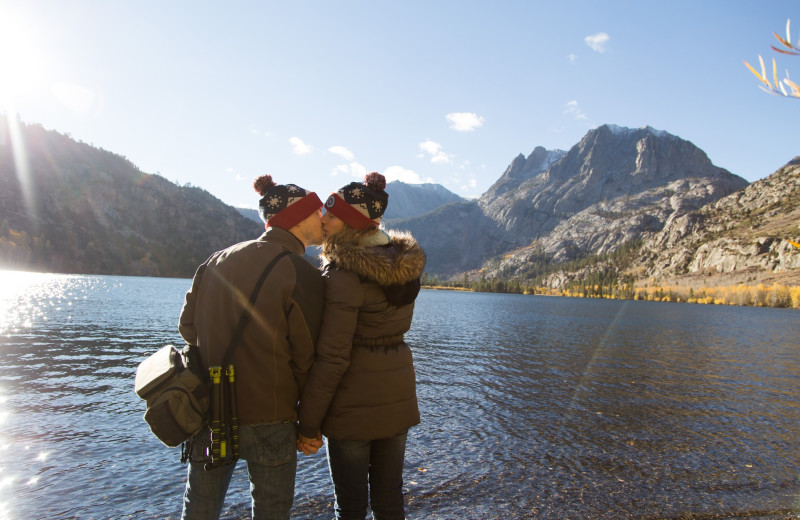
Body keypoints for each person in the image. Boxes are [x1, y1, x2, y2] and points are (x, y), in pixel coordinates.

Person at [178, 174, 325, 520]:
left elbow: (187, 329)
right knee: (271, 512)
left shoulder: (215, 260)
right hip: (271, 416)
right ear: (297, 219)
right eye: (316, 211)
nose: (322, 218)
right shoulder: (301, 273)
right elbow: (307, 357)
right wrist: (311, 424)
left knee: (199, 509)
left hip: (212, 410)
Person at [297, 172, 426, 520]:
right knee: (389, 500)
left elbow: (334, 357)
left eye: (332, 215)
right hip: (396, 399)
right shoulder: (403, 269)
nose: (323, 219)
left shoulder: (343, 275)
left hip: (352, 408)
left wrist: (308, 424)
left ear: (352, 225)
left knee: (351, 507)